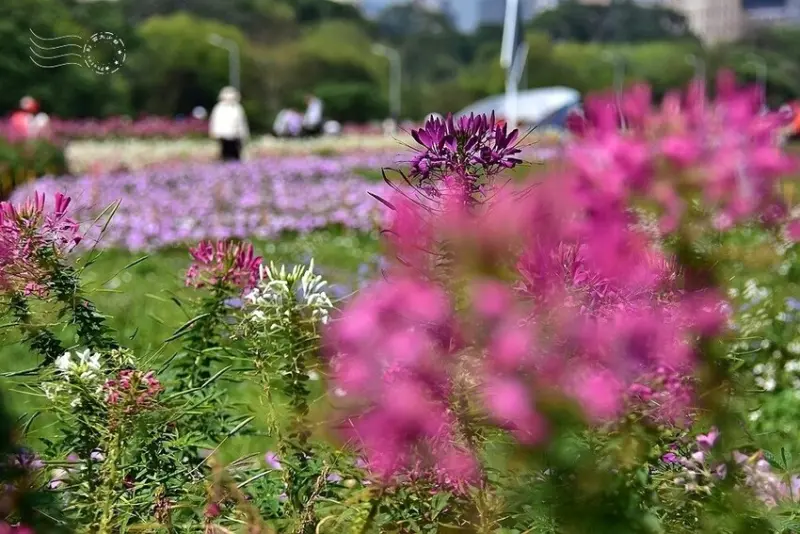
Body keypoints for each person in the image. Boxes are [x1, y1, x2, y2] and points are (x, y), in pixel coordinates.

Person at [209, 86, 249, 162]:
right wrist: (213, 132)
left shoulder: (237, 108)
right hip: (222, 135)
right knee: (224, 155)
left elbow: (242, 122)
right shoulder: (219, 108)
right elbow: (214, 121)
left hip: (235, 136)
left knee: (236, 155)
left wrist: (244, 133)